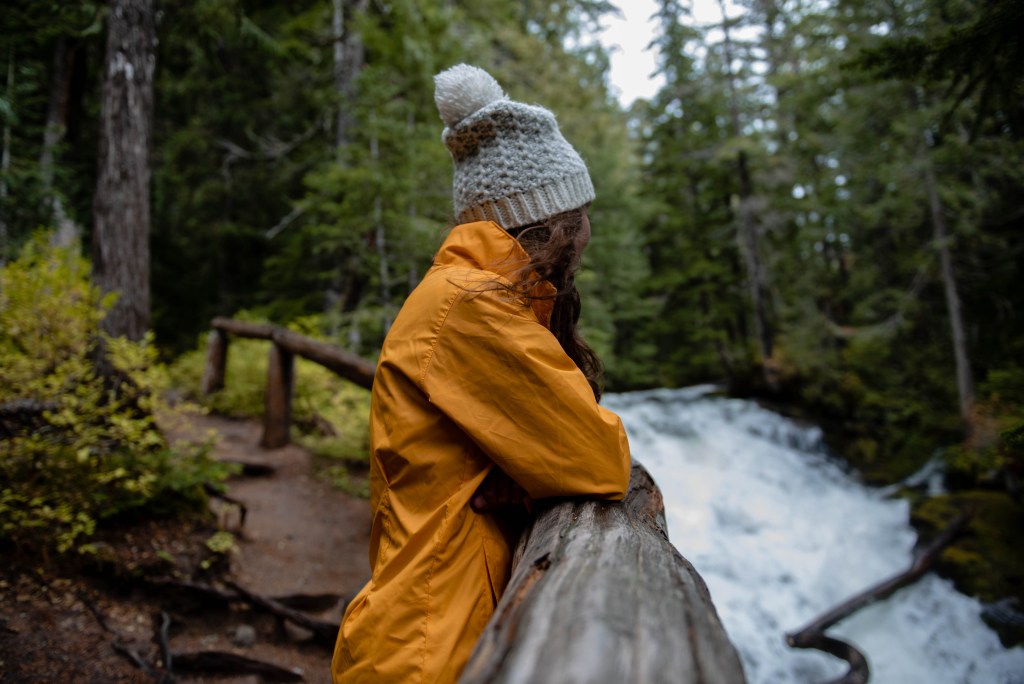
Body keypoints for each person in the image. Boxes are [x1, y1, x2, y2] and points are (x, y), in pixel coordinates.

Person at [331, 64, 632, 683]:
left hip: (441, 631)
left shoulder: (474, 298)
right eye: (581, 215)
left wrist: (519, 479)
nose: (589, 233)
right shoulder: (471, 307)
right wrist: (532, 477)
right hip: (428, 651)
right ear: (548, 222)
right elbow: (599, 456)